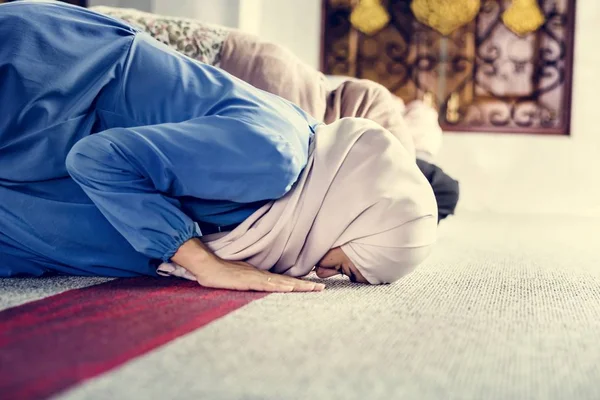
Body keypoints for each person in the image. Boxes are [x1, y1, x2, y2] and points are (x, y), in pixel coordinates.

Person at [0, 1, 438, 291]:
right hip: (45, 85)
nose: (323, 272)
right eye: (344, 268)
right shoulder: (274, 157)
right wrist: (205, 263)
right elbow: (98, 159)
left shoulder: (276, 205)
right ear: (353, 209)